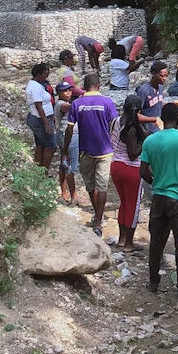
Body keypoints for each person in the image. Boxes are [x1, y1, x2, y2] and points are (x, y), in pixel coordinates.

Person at [141, 103, 178, 306]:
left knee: (156, 241)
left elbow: (143, 171)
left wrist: (156, 182)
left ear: (162, 118)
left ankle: (153, 282)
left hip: (159, 197)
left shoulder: (150, 140)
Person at [63, 73, 118, 236]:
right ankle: (99, 222)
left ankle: (97, 216)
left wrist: (65, 150)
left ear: (84, 87)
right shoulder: (107, 102)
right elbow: (115, 125)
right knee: (102, 187)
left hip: (85, 150)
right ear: (98, 85)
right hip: (105, 150)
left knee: (91, 185)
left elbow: (69, 129)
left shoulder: (77, 103)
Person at [109, 95, 149, 252]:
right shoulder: (132, 128)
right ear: (138, 111)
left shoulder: (115, 122)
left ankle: (122, 239)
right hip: (131, 168)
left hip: (116, 165)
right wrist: (144, 141)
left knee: (124, 203)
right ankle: (129, 244)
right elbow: (133, 154)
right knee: (133, 206)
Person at [137, 61, 178, 134]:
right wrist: (154, 119)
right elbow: (136, 115)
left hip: (159, 128)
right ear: (153, 74)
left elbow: (157, 105)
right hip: (148, 131)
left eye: (166, 76)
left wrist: (176, 103)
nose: (164, 78)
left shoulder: (160, 87)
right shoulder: (144, 91)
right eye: (161, 76)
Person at [25, 63, 56, 170]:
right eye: (45, 74)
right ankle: (44, 171)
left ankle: (38, 170)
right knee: (51, 146)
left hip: (40, 118)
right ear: (38, 74)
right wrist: (47, 123)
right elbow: (39, 106)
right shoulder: (35, 86)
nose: (47, 76)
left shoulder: (38, 84)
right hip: (40, 120)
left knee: (41, 144)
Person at [54, 81, 80, 206]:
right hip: (69, 136)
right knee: (70, 166)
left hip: (63, 135)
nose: (68, 92)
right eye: (65, 91)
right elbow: (70, 107)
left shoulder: (63, 103)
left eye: (69, 90)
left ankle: (64, 194)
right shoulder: (61, 104)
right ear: (59, 93)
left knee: (63, 164)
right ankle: (74, 195)